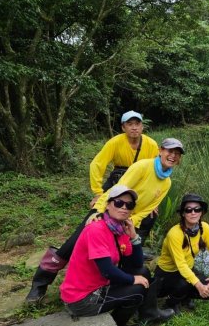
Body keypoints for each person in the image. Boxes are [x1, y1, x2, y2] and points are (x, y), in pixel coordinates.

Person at [25, 138, 185, 304]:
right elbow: (118, 189)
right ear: (160, 151)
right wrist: (100, 212)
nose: (173, 156)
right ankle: (40, 284)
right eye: (170, 151)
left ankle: (116, 289)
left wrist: (128, 222)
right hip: (108, 209)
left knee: (121, 253)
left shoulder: (166, 182)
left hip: (126, 218)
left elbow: (148, 209)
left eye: (177, 154)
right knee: (71, 245)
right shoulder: (143, 166)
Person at [59, 185, 173, 325]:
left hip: (100, 284)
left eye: (129, 204)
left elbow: (136, 264)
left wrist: (134, 237)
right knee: (138, 289)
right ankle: (117, 322)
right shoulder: (96, 229)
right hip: (82, 298)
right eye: (119, 202)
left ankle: (148, 313)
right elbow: (107, 271)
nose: (124, 207)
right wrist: (132, 280)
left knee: (142, 271)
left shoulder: (119, 229)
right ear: (108, 205)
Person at [89, 110, 160, 249]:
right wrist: (98, 193)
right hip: (119, 179)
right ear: (123, 127)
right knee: (99, 209)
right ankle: (101, 242)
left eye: (137, 124)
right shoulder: (115, 142)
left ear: (142, 127)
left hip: (141, 182)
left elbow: (156, 172)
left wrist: (154, 201)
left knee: (150, 215)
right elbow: (97, 164)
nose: (134, 127)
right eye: (130, 124)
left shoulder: (151, 144)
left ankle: (135, 245)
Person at [155, 193, 209, 313]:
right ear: (183, 213)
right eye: (188, 210)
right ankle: (171, 302)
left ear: (201, 212)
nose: (193, 213)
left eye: (197, 209)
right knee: (185, 283)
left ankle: (185, 296)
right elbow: (181, 265)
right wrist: (199, 286)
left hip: (188, 270)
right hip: (167, 273)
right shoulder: (174, 233)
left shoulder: (204, 228)